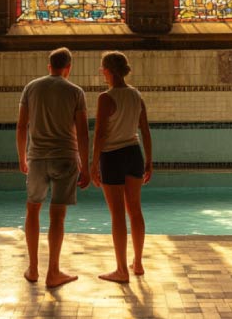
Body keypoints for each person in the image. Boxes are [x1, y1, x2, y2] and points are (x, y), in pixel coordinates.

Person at [16, 47, 90, 288]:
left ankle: (34, 268)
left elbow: (21, 127)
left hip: (36, 158)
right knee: (57, 216)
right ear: (68, 68)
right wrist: (86, 165)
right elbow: (82, 132)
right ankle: (53, 272)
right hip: (66, 157)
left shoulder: (31, 88)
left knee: (33, 210)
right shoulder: (76, 92)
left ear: (50, 66)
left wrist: (22, 157)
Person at [90, 51, 153, 283]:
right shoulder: (136, 95)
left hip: (112, 156)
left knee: (118, 214)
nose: (101, 73)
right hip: (134, 153)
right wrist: (149, 159)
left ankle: (121, 270)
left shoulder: (106, 98)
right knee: (135, 210)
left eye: (102, 69)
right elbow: (145, 130)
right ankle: (137, 263)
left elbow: (99, 134)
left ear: (108, 71)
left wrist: (93, 163)